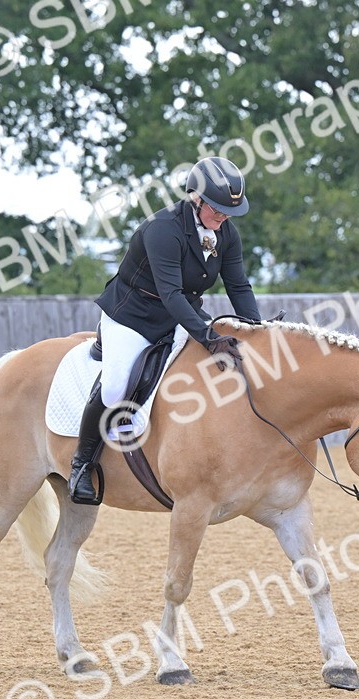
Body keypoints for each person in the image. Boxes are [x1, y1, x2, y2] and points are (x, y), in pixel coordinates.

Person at [68, 156, 263, 504]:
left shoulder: (226, 232)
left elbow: (239, 285)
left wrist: (258, 331)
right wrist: (207, 336)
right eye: (217, 210)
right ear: (195, 198)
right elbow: (170, 293)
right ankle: (81, 464)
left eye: (228, 213)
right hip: (133, 316)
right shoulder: (162, 229)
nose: (223, 218)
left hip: (180, 315)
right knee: (115, 388)